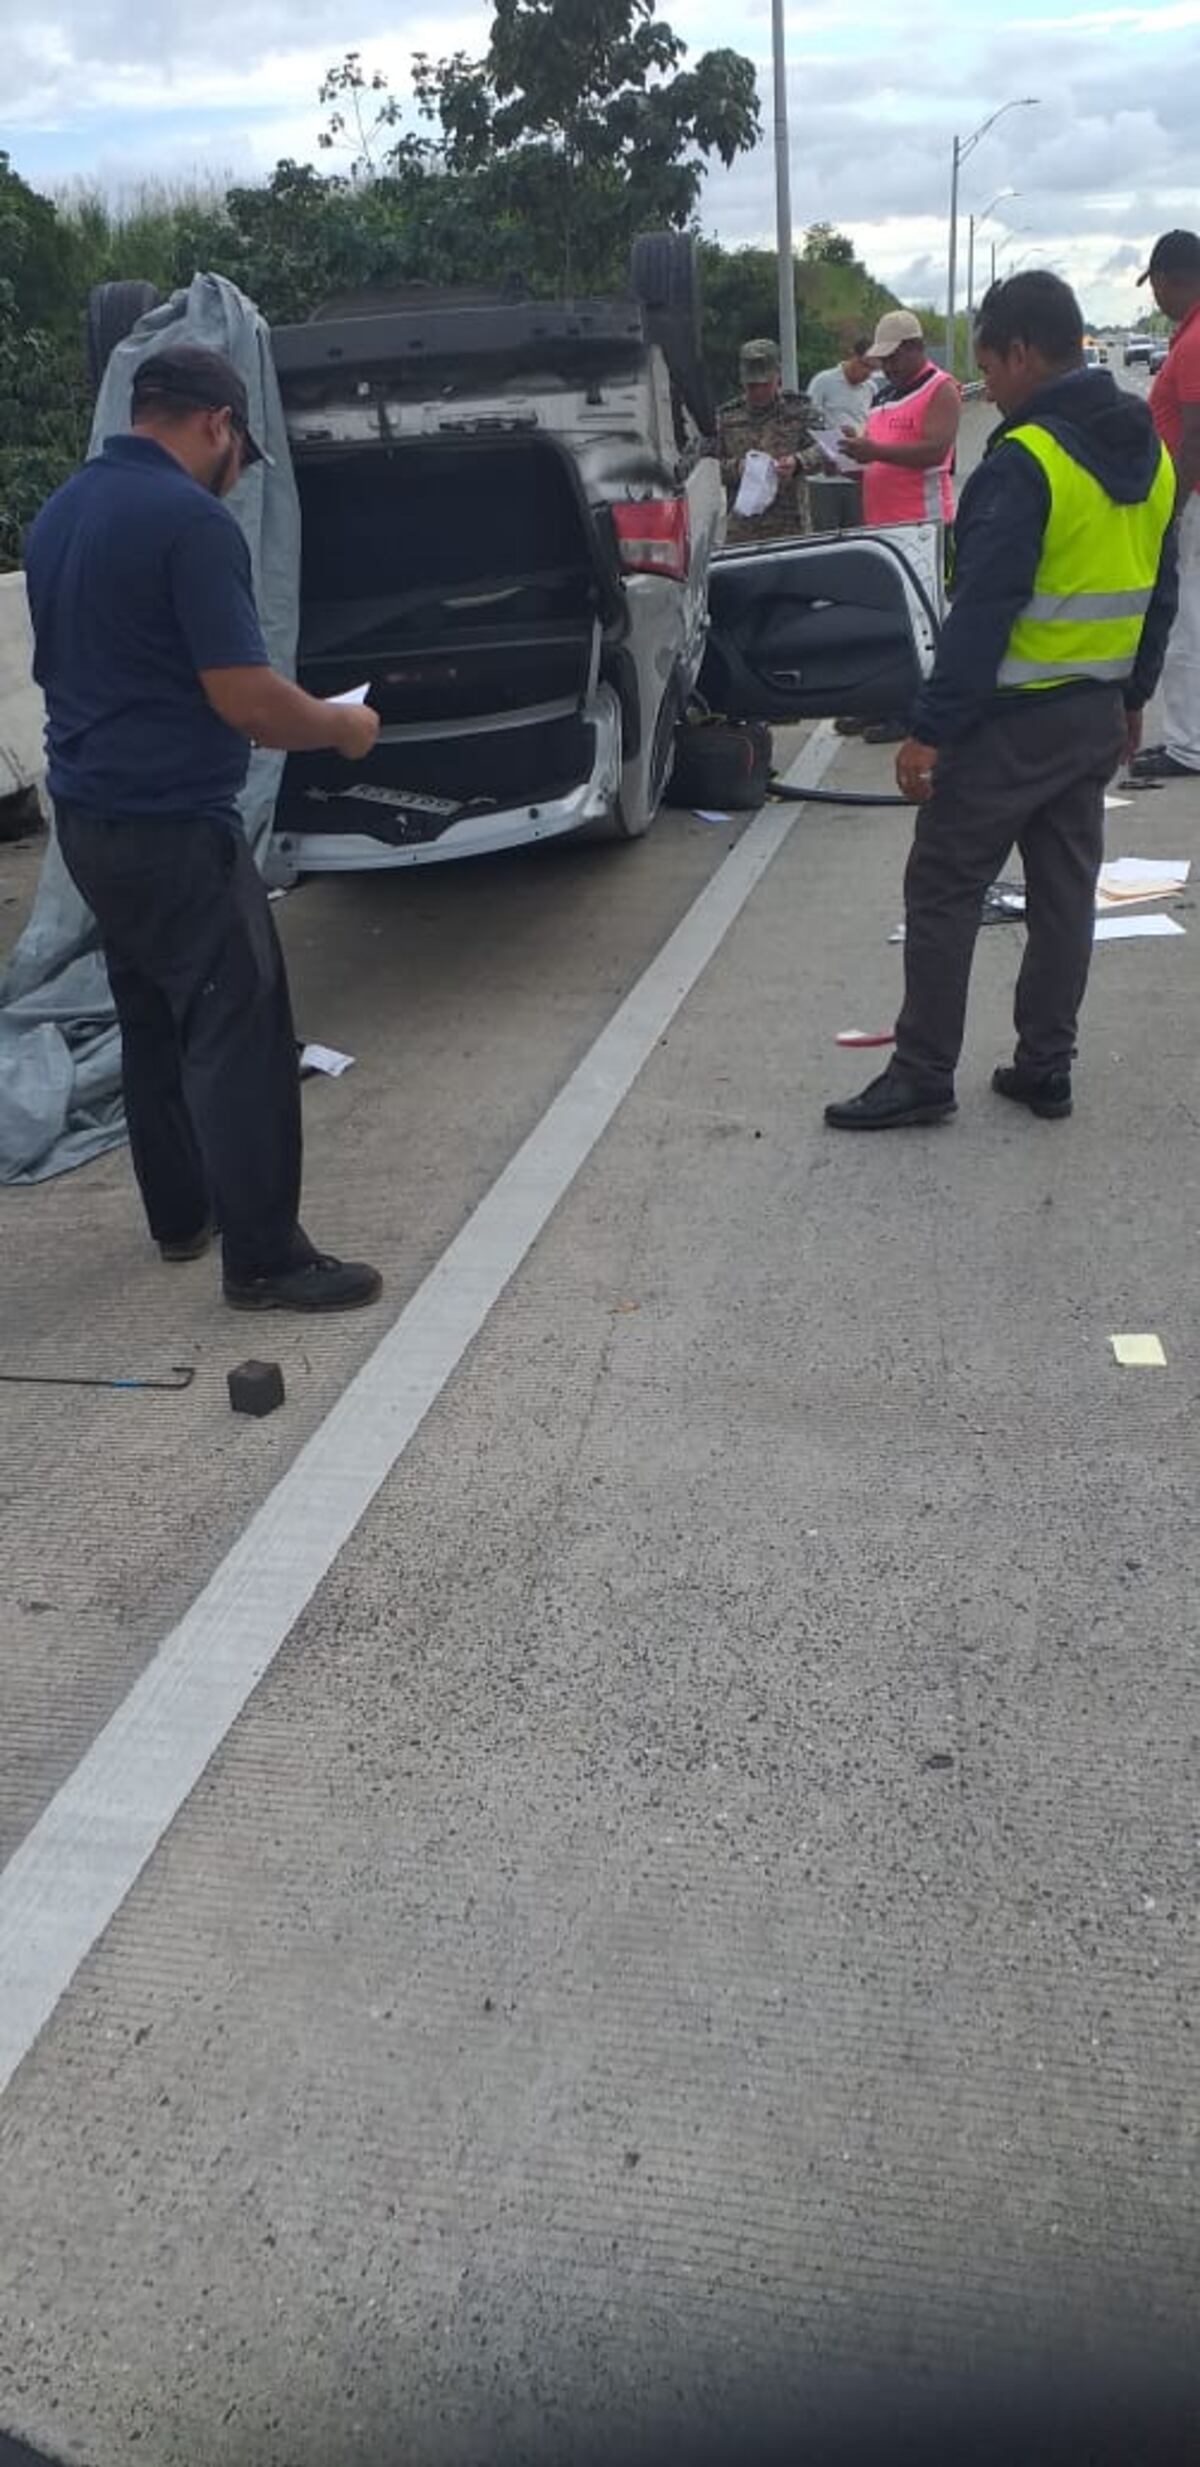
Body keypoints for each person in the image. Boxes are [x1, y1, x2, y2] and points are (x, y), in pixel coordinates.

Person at [23, 343, 385, 1311]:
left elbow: (63, 670)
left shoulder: (61, 514)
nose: (238, 477)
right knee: (241, 1027)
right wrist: (341, 726)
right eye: (241, 451)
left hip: (89, 826)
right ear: (218, 423)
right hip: (174, 828)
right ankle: (265, 1256)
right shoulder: (188, 522)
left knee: (150, 1020)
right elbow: (244, 697)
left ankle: (181, 1216)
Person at [824, 272, 1178, 1133]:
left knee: (943, 883)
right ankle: (1045, 1065)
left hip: (1011, 720)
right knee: (1064, 894)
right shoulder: (1154, 456)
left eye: (991, 361)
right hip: (1094, 717)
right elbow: (1160, 590)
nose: (993, 381)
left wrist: (929, 732)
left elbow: (983, 614)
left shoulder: (1027, 463)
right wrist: (1132, 697)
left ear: (1021, 351)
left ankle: (921, 1074)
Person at [1131, 229, 1200, 779]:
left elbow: (1196, 434)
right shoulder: (1190, 334)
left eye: (1156, 287)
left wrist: (1171, 509)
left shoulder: (1197, 339)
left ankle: (1188, 745)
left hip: (1194, 500)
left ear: (1173, 279)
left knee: (1187, 624)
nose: (1154, 299)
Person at [838, 309, 961, 526]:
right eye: (882, 360)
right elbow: (875, 466)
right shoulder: (881, 397)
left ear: (917, 347)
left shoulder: (940, 388)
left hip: (924, 528)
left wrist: (874, 451)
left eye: (893, 358)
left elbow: (936, 452)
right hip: (880, 528)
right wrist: (846, 460)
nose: (887, 367)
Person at [715, 339, 822, 544]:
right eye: (752, 385)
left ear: (778, 376)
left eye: (765, 384)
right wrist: (739, 468)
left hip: (791, 531)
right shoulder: (726, 417)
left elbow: (828, 448)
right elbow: (706, 467)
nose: (759, 392)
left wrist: (798, 461)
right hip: (742, 534)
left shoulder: (799, 410)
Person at [806, 335, 880, 436]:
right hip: (830, 445)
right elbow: (809, 417)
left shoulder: (871, 388)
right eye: (865, 365)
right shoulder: (823, 381)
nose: (867, 372)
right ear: (854, 356)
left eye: (873, 369)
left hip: (860, 447)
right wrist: (834, 431)